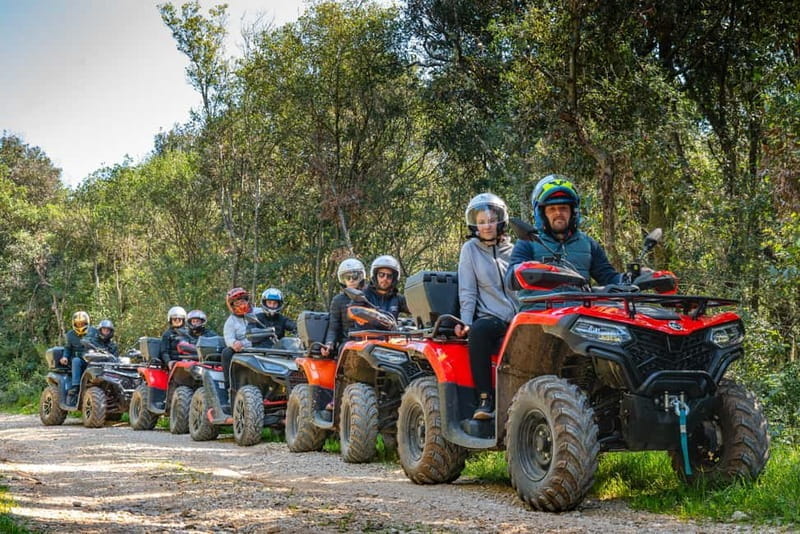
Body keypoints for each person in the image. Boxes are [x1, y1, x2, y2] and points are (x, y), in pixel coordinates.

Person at [506, 175, 622, 309]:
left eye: (563, 208)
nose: (558, 213)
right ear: (542, 214)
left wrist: (632, 278)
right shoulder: (528, 242)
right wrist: (528, 271)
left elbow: (609, 277)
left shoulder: (588, 244)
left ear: (573, 212)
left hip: (579, 314)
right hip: (538, 313)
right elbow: (511, 280)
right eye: (552, 209)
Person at [454, 193, 518, 421]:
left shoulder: (515, 250)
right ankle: (485, 399)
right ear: (475, 225)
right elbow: (468, 290)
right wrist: (466, 322)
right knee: (479, 331)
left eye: (491, 220)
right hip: (492, 317)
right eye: (481, 222)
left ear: (500, 220)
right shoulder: (470, 249)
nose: (487, 226)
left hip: (520, 316)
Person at [221, 287, 265, 411]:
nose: (241, 304)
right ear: (232, 306)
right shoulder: (230, 322)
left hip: (263, 345)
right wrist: (234, 343)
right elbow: (228, 338)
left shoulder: (259, 312)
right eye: (237, 302)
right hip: (242, 349)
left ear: (247, 300)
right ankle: (230, 388)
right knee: (226, 353)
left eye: (243, 300)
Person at [320, 258, 366, 358]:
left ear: (361, 278)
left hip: (369, 341)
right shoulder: (338, 300)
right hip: (348, 342)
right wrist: (329, 343)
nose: (351, 280)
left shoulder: (369, 296)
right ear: (343, 280)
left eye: (355, 277)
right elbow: (333, 327)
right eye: (347, 277)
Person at [61, 311, 98, 405]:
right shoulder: (70, 335)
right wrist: (65, 357)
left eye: (82, 323)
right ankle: (75, 387)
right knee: (76, 361)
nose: (80, 325)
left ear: (87, 322)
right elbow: (67, 348)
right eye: (78, 323)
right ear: (74, 324)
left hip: (93, 359)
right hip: (79, 360)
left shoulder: (94, 332)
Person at [364, 255, 410, 319]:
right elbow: (351, 313)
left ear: (394, 279)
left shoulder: (397, 298)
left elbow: (416, 307)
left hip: (391, 325)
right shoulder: (364, 295)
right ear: (375, 276)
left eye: (389, 276)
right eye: (381, 275)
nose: (385, 278)